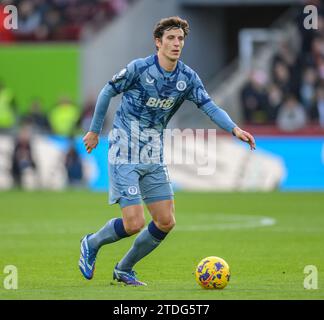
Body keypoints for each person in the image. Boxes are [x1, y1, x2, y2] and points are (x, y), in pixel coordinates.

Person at [79, 16, 256, 286]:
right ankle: (91, 242)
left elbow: (209, 107)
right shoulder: (139, 69)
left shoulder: (187, 77)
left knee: (165, 221)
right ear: (158, 42)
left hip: (153, 153)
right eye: (171, 38)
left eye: (180, 39)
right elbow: (107, 91)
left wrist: (234, 129)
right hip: (124, 150)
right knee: (134, 223)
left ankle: (124, 268)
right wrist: (94, 130)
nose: (176, 43)